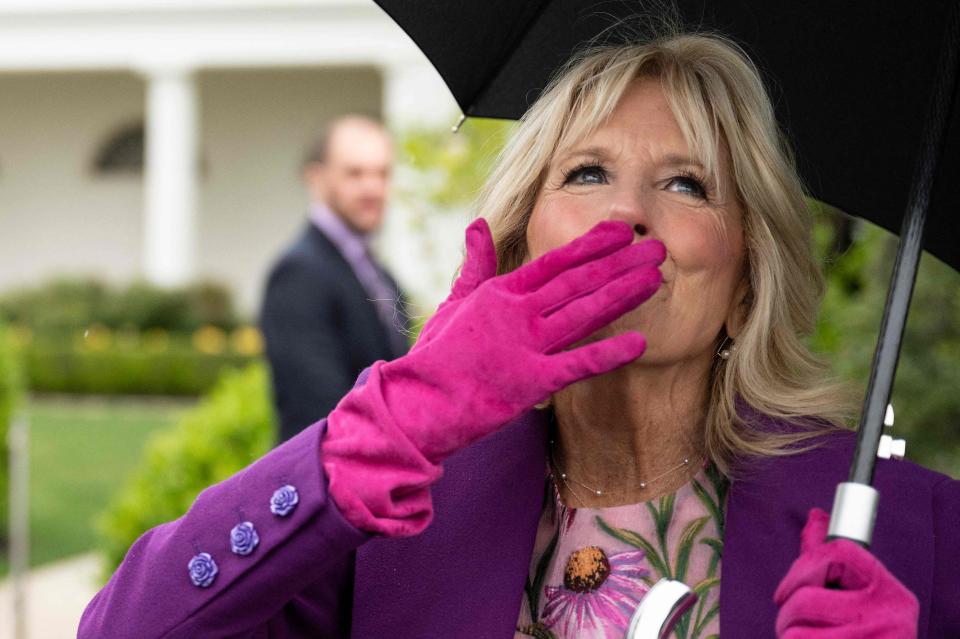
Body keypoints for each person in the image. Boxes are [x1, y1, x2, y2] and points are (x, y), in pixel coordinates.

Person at [79, 33, 959, 638]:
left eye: (687, 183)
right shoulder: (396, 526)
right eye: (586, 172)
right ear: (513, 249)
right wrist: (386, 425)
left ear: (744, 284)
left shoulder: (911, 527)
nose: (627, 212)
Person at [260, 115, 409, 443]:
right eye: (355, 173)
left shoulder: (379, 274)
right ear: (316, 178)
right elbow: (320, 409)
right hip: (328, 480)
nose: (373, 187)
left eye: (382, 173)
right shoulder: (299, 274)